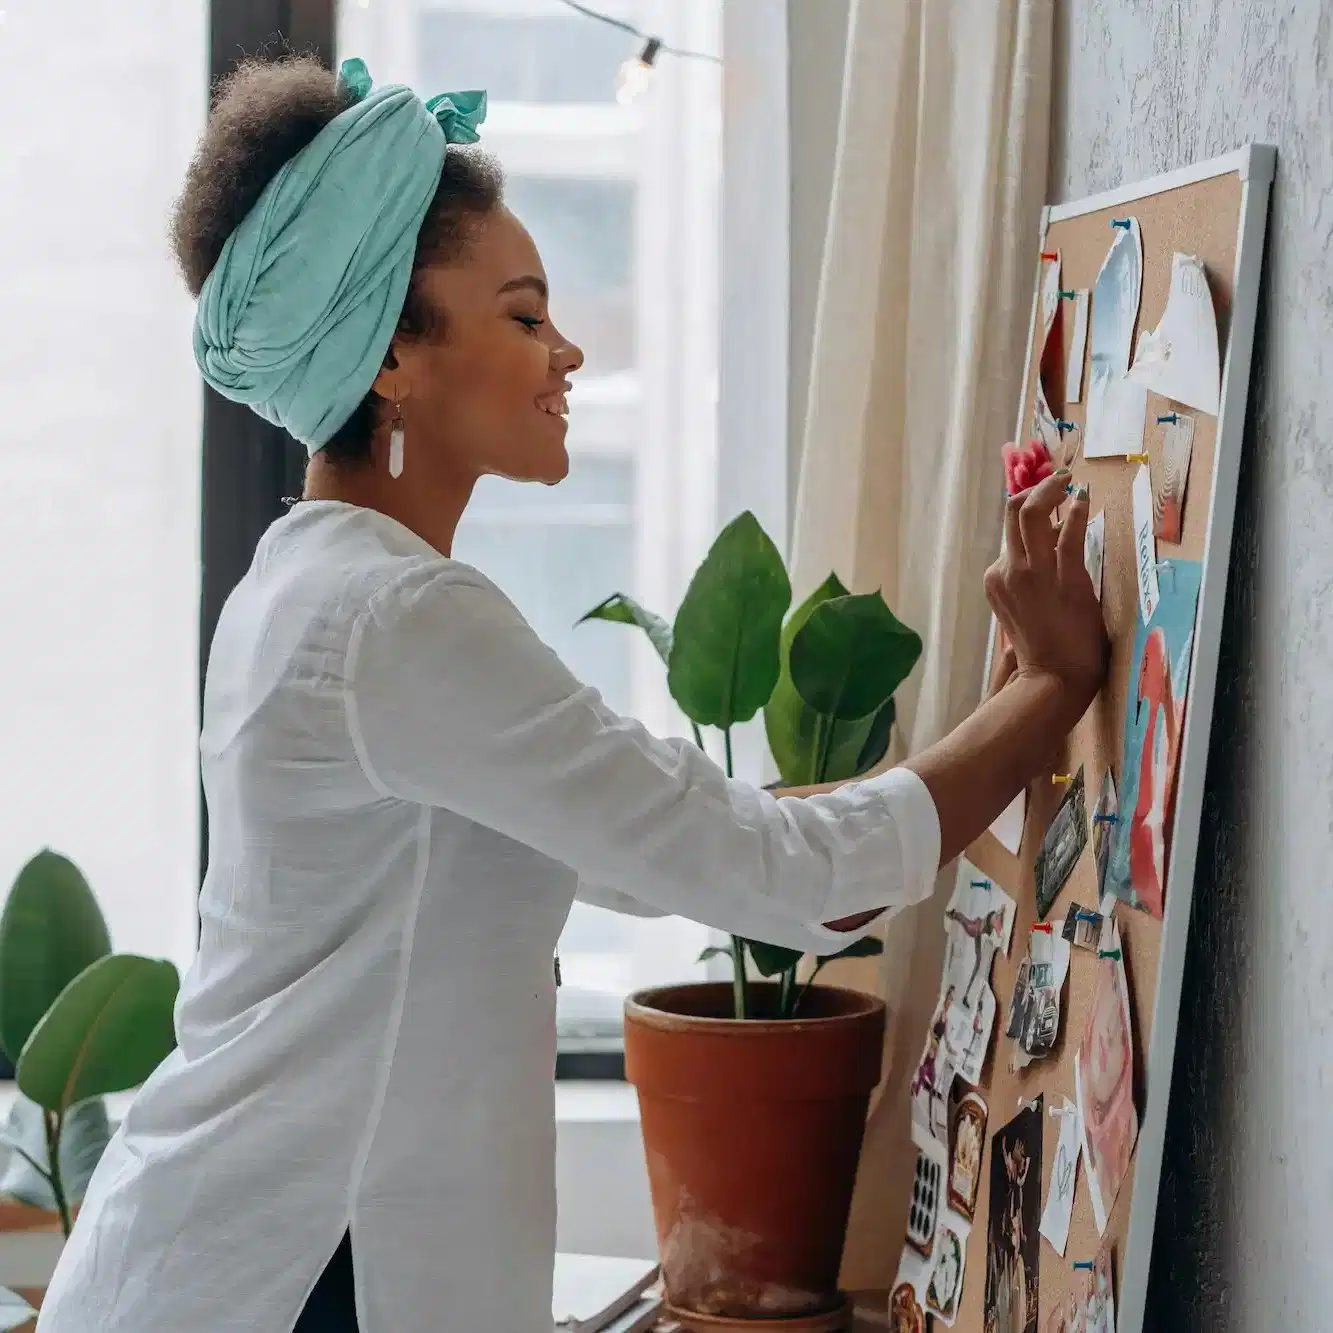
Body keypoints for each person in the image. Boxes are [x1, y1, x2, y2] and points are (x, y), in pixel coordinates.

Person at [36, 54, 1108, 1333]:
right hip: (296, 1276)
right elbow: (790, 878)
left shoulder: (302, 588)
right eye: (525, 316)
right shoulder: (397, 620)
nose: (569, 350)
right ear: (393, 355)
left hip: (229, 1254)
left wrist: (1003, 716)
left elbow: (685, 845)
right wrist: (1053, 688)